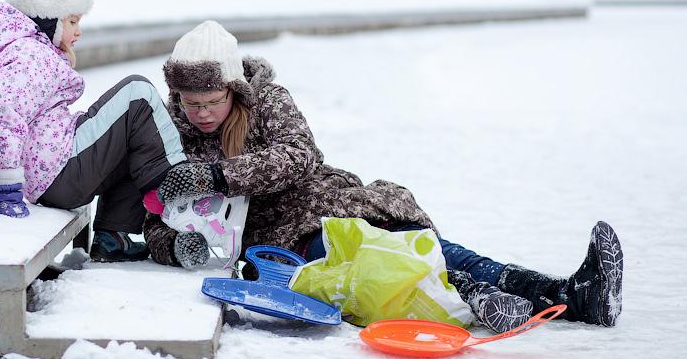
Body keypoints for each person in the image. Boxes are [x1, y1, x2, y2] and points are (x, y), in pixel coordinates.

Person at [146, 21, 624, 331]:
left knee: (428, 247)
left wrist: (218, 175)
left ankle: (565, 293)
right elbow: (152, 212)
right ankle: (482, 298)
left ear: (235, 88)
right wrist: (173, 246)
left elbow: (299, 154)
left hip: (330, 199)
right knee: (381, 258)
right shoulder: (170, 134)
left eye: (214, 101)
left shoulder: (268, 99)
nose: (203, 113)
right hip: (287, 240)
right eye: (192, 102)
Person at [0, 0, 215, 262]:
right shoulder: (26, 56)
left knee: (134, 137)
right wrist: (5, 190)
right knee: (138, 94)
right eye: (72, 21)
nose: (78, 31)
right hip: (56, 174)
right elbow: (2, 120)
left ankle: (112, 236)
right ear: (46, 18)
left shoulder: (27, 50)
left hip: (53, 170)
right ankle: (182, 194)